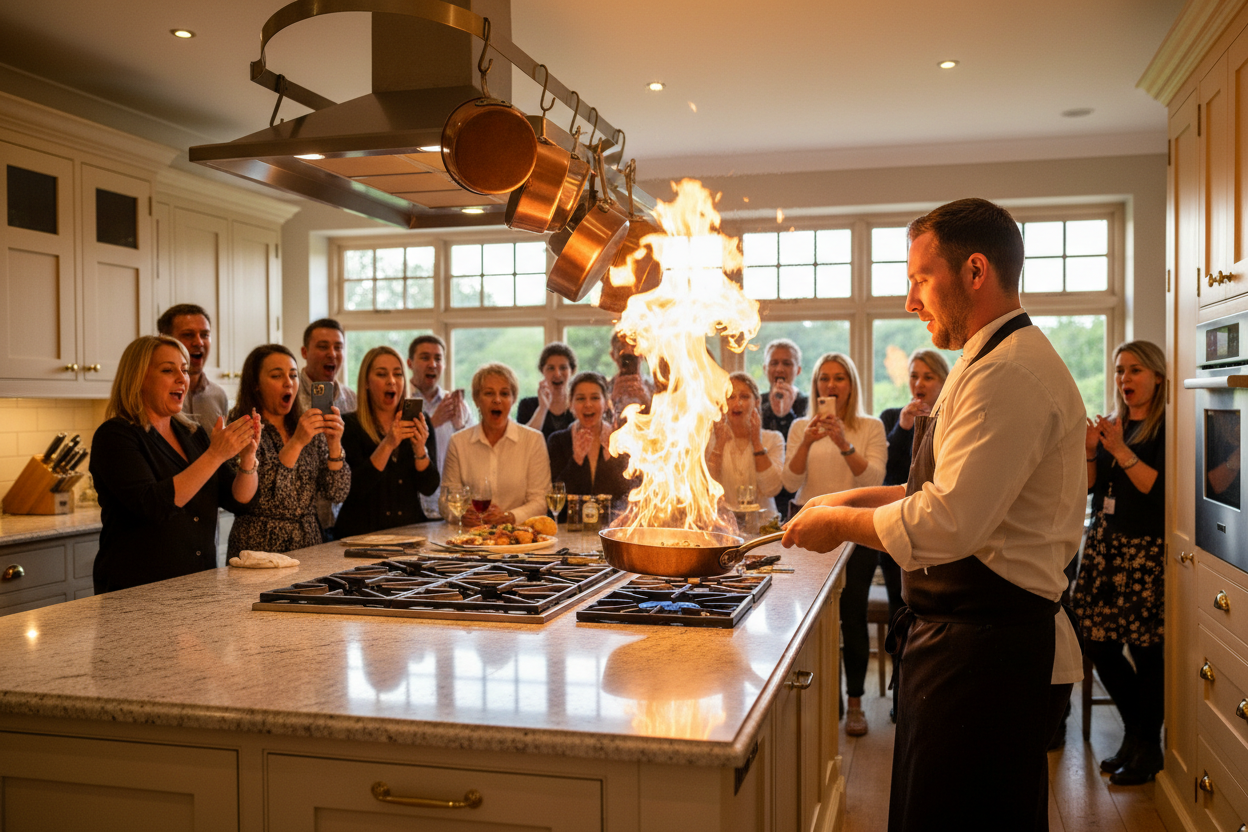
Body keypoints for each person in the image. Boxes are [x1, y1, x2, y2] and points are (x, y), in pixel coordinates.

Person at [782, 198, 1087, 831]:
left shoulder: (1008, 373)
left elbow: (947, 522)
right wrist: (836, 499)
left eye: (921, 278)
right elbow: (924, 491)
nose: (909, 300)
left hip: (987, 657)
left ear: (975, 271)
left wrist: (836, 527)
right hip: (959, 644)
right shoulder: (979, 363)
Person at [90, 335, 260, 594]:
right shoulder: (115, 436)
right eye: (168, 370)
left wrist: (247, 458)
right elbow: (152, 505)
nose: (183, 379)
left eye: (184, 370)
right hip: (137, 591)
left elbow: (238, 500)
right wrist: (215, 455)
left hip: (198, 583)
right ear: (138, 378)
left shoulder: (193, 434)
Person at [1072, 340, 1167, 785]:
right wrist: (1093, 449)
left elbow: (1156, 488)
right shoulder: (1115, 425)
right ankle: (1139, 734)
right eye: (1119, 371)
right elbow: (1092, 489)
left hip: (1145, 552)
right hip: (1106, 548)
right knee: (1098, 644)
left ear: (1158, 377)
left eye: (1134, 371)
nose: (1124, 380)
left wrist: (1121, 450)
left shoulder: (1167, 428)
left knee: (1147, 653)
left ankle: (1146, 748)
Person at [780, 352, 887, 737]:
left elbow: (873, 478)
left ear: (851, 384)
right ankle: (828, 702)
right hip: (809, 535)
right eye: (824, 378)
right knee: (810, 623)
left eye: (839, 378)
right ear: (816, 385)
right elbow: (789, 485)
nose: (831, 385)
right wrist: (807, 441)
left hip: (858, 535)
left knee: (852, 618)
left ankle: (855, 703)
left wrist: (843, 441)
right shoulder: (799, 427)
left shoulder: (870, 427)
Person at [866, 349, 951, 716]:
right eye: (914, 376)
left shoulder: (952, 419)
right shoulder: (891, 417)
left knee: (931, 616)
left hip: (936, 532)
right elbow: (888, 475)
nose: (918, 383)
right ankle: (902, 696)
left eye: (927, 377)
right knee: (901, 613)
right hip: (897, 529)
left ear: (944, 381)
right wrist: (903, 428)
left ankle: (928, 695)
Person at [227, 344, 351, 558]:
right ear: (255, 384)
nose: (288, 383)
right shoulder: (241, 425)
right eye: (277, 376)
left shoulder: (304, 423)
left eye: (293, 375)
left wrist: (334, 444)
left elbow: (336, 493)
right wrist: (296, 443)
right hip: (259, 547)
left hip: (309, 545)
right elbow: (265, 497)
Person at [336, 346, 440, 538]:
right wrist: (388, 443)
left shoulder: (419, 419)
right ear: (366, 382)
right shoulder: (349, 425)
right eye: (382, 374)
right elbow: (353, 489)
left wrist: (420, 450)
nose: (391, 381)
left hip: (409, 534)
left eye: (398, 374)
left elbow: (429, 487)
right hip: (361, 535)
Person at [438, 362, 551, 525]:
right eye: (489, 393)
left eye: (504, 394)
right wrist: (461, 515)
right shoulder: (458, 442)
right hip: (471, 539)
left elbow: (540, 501)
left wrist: (509, 516)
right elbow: (445, 501)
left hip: (518, 540)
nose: (497, 400)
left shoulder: (533, 440)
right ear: (477, 400)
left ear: (513, 400)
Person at [296, 318, 356, 537]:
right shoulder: (288, 396)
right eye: (323, 347)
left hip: (342, 519)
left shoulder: (351, 400)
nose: (332, 353)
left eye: (338, 347)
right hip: (303, 522)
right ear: (304, 351)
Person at [408, 334, 474, 518]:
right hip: (412, 505)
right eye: (425, 357)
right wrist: (432, 423)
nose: (432, 364)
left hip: (449, 506)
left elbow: (473, 452)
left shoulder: (456, 405)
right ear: (410, 363)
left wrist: (461, 428)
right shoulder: (402, 403)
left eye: (438, 358)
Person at [547, 372, 635, 509]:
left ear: (606, 403)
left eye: (595, 398)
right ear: (570, 404)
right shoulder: (557, 441)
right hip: (569, 527)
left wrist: (610, 459)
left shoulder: (621, 440)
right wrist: (576, 460)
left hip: (612, 526)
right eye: (580, 399)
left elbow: (628, 493)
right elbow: (556, 501)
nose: (588, 404)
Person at [707, 372, 784, 515]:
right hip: (725, 526)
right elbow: (707, 487)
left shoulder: (773, 439)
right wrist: (720, 443)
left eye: (744, 396)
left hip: (764, 527)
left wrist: (757, 442)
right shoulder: (710, 440)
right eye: (731, 397)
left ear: (756, 402)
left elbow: (772, 488)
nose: (737, 403)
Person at [156, 303, 228, 434]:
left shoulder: (219, 396)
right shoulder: (155, 394)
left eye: (205, 335)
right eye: (188, 335)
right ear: (165, 339)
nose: (199, 342)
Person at [761, 338, 807, 518]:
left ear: (798, 370)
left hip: (798, 494)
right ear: (765, 369)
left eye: (787, 363)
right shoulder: (755, 402)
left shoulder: (809, 404)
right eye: (774, 363)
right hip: (765, 495)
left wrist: (787, 415)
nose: (779, 369)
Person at [517, 342, 578, 439]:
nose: (557, 374)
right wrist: (542, 408)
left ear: (572, 370)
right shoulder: (527, 405)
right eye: (551, 368)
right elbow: (523, 441)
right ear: (542, 370)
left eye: (563, 368)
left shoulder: (579, 406)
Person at [607, 330, 654, 422]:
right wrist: (612, 401)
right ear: (613, 355)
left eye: (633, 347)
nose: (628, 352)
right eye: (621, 348)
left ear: (642, 353)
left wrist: (646, 401)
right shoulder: (605, 390)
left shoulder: (655, 388)